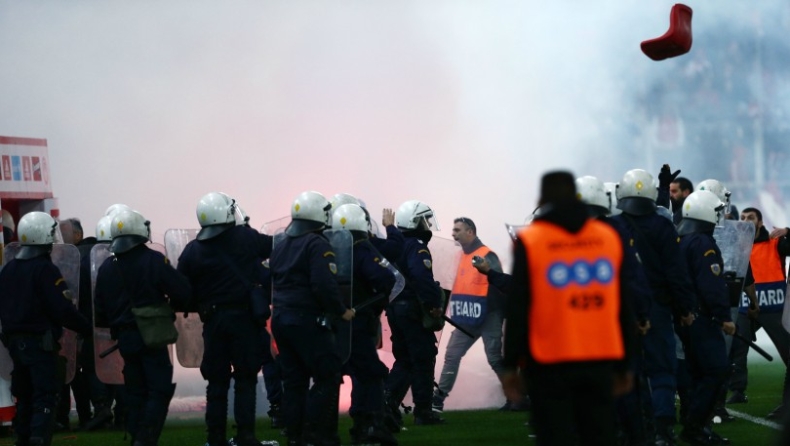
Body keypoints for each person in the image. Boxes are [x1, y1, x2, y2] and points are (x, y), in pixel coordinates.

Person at [502, 171, 636, 446]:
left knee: (555, 436)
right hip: (600, 357)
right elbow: (623, 302)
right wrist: (627, 362)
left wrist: (510, 364)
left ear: (542, 199)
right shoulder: (607, 237)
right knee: (599, 436)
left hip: (549, 360)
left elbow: (518, 307)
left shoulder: (531, 240)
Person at [176, 192, 276, 446]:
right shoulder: (245, 237)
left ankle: (215, 438)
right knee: (246, 378)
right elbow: (275, 247)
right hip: (244, 320)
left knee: (216, 382)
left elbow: (181, 292)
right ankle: (246, 436)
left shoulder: (192, 251)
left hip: (213, 322)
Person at [94, 209, 192, 446]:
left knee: (135, 392)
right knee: (158, 390)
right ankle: (146, 440)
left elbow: (100, 311)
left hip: (124, 339)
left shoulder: (107, 267)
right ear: (141, 231)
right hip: (151, 335)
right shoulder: (153, 260)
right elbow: (182, 290)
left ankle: (137, 436)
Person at [613, 168, 696, 445]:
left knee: (625, 369)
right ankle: (663, 429)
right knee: (661, 370)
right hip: (657, 308)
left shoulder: (611, 227)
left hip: (619, 311)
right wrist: (684, 309)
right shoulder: (663, 227)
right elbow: (676, 273)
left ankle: (628, 428)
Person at [270, 191, 355, 446]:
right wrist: (341, 310)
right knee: (327, 376)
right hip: (306, 321)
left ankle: (295, 437)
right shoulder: (317, 244)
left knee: (294, 382)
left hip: (281, 320)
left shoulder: (282, 243)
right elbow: (322, 285)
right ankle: (316, 435)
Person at [0, 211, 92, 446]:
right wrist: (86, 327)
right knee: (45, 397)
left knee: (25, 397)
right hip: (40, 344)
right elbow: (61, 309)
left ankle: (23, 438)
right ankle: (39, 439)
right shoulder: (45, 269)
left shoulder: (8, 270)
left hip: (14, 345)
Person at [333, 203, 399, 446]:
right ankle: (371, 427)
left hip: (333, 324)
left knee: (334, 375)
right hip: (359, 321)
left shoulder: (329, 250)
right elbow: (385, 277)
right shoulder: (362, 249)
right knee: (371, 373)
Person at [676, 191, 735, 445]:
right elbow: (711, 285)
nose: (720, 215)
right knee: (715, 371)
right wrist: (724, 316)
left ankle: (693, 426)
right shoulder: (703, 243)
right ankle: (694, 428)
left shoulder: (682, 239)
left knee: (696, 373)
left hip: (686, 317)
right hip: (703, 319)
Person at [430, 217, 507, 413]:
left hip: (489, 316)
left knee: (495, 358)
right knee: (452, 355)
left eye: (457, 230)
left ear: (470, 232)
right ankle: (438, 399)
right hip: (467, 317)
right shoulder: (457, 256)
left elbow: (500, 285)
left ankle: (517, 397)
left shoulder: (487, 255)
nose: (453, 234)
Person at [384, 200, 446, 426]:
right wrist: (433, 304)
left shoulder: (394, 244)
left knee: (405, 360)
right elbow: (421, 277)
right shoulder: (416, 245)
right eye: (424, 219)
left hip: (394, 309)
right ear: (414, 221)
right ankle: (423, 411)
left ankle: (386, 404)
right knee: (423, 358)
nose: (427, 224)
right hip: (412, 310)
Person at [728, 207, 790, 418]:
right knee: (737, 348)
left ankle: (787, 403)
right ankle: (737, 390)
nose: (745, 220)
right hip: (747, 305)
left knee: (787, 351)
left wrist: (788, 231)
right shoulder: (736, 245)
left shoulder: (776, 243)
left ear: (760, 222)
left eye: (751, 218)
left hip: (775, 307)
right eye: (743, 218)